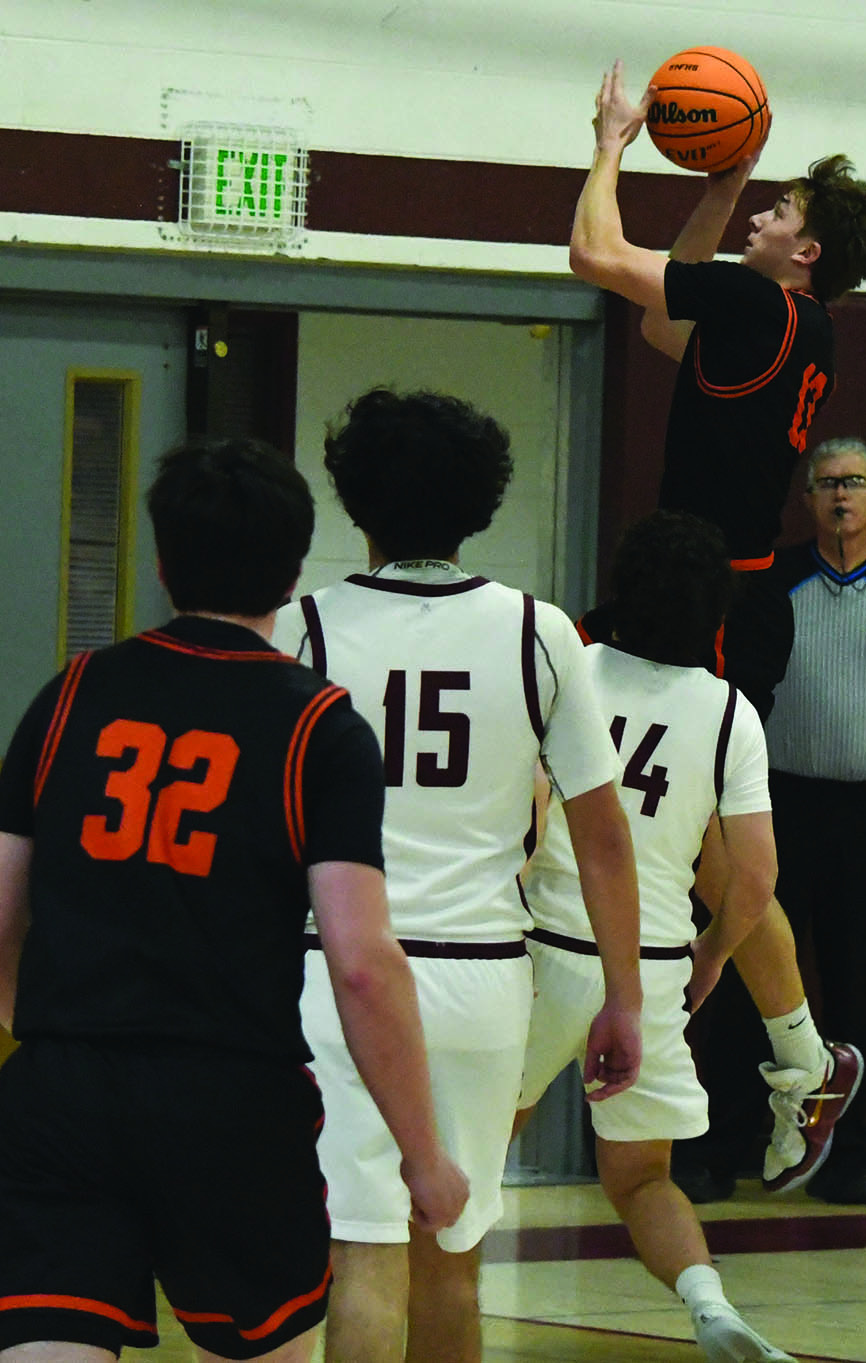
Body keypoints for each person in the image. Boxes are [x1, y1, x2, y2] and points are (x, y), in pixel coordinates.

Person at [0, 438, 468, 1363]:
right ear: (294, 572)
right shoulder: (319, 725)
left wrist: (73, 1042)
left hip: (61, 1092)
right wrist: (423, 1153)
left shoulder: (70, 694)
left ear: (161, 562)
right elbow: (361, 964)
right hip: (232, 1103)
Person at [570, 59, 866, 1200]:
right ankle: (806, 1056)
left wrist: (612, 144)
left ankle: (804, 1058)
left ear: (807, 250)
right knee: (679, 834)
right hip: (698, 592)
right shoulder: (797, 325)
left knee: (724, 860)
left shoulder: (761, 309)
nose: (761, 212)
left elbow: (597, 258)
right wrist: (719, 180)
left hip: (718, 600)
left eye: (779, 208)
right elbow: (665, 319)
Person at [272, 389, 643, 1363]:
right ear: (481, 501)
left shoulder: (303, 628)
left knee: (361, 1254)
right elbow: (603, 839)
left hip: (338, 971)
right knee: (453, 1259)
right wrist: (625, 995)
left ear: (353, 498)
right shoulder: (540, 631)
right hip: (482, 980)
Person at [516, 510, 793, 1363]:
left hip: (543, 948)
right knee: (642, 1175)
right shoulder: (730, 712)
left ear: (619, 591)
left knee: (473, 1150)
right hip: (653, 968)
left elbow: (525, 816)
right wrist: (712, 956)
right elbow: (756, 877)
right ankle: (710, 1304)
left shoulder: (570, 668)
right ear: (716, 614)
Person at [688, 437, 866, 1206]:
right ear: (807, 500)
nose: (841, 494)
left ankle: (843, 1156)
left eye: (855, 482)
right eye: (826, 482)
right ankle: (724, 1149)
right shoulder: (769, 584)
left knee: (854, 983)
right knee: (749, 978)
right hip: (775, 809)